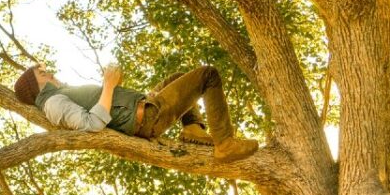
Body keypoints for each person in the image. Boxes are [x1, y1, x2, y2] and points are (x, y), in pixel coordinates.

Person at [13, 63, 258, 163]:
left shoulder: (60, 94)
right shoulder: (53, 103)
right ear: (38, 86)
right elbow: (91, 124)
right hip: (146, 119)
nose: (50, 73)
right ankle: (225, 144)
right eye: (43, 74)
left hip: (144, 108)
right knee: (208, 75)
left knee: (178, 78)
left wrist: (119, 89)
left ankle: (192, 127)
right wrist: (109, 85)